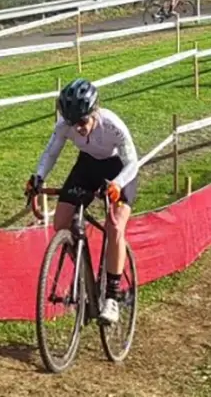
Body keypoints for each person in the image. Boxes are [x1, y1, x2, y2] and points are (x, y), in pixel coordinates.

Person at [25, 78, 138, 325]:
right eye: (72, 123)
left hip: (119, 168)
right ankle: (84, 275)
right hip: (87, 165)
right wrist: (38, 177)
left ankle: (112, 298)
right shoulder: (65, 125)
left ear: (95, 112)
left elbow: (133, 162)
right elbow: (51, 152)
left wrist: (117, 184)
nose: (77, 128)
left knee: (115, 226)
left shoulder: (112, 126)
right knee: (62, 222)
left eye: (83, 122)